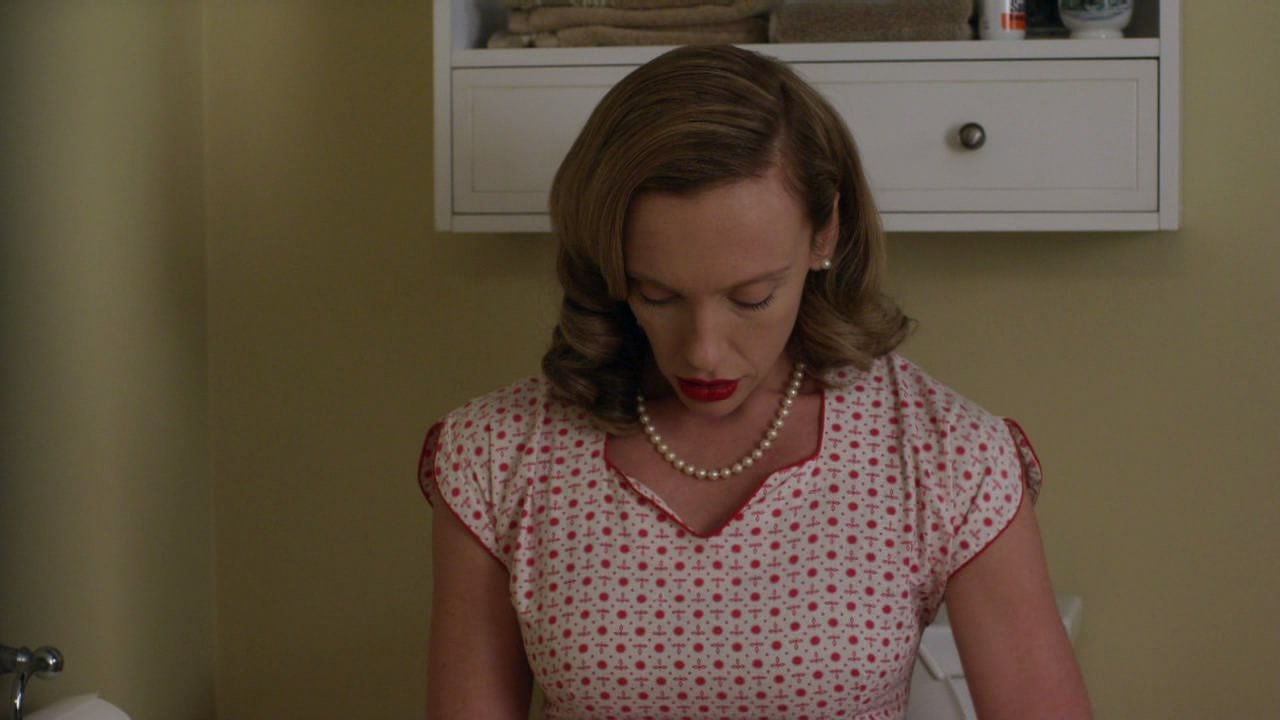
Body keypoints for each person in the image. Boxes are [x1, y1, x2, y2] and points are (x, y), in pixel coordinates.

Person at [420, 45, 1092, 720]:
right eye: (657, 295)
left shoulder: (945, 454)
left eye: (751, 298)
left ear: (825, 234)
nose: (704, 351)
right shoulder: (498, 454)